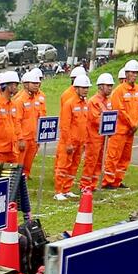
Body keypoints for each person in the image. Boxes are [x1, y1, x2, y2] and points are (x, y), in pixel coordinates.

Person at [53, 69, 93, 200]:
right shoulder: (69, 104)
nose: (86, 90)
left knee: (74, 166)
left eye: (87, 88)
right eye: (83, 88)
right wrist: (68, 142)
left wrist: (85, 140)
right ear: (76, 88)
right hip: (69, 142)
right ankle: (58, 191)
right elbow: (65, 125)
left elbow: (85, 123)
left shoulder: (85, 104)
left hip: (80, 141)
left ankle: (67, 188)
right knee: (63, 166)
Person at [104, 59, 138, 189]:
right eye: (132, 72)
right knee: (114, 156)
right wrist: (132, 124)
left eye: (137, 73)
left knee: (125, 158)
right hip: (120, 130)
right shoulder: (119, 91)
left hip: (131, 131)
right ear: (126, 74)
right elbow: (119, 110)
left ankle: (117, 180)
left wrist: (136, 123)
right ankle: (108, 181)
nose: (135, 75)